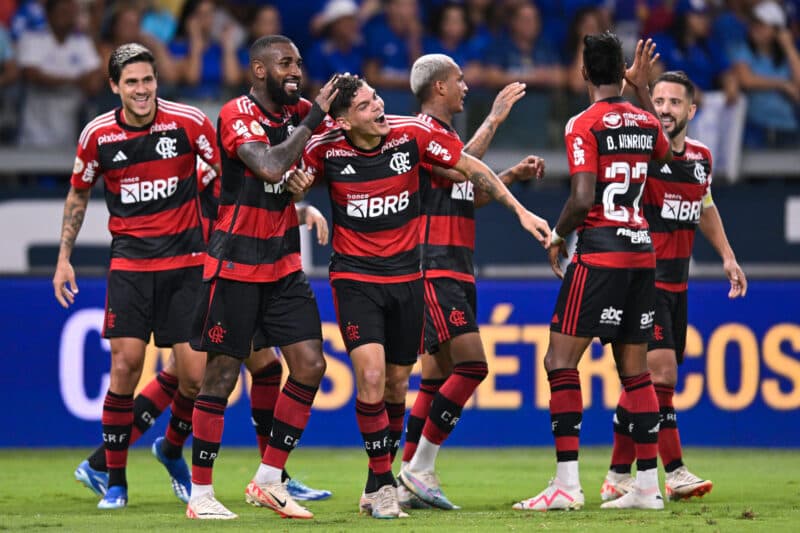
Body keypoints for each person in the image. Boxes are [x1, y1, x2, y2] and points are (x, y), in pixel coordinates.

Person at [301, 73, 551, 519]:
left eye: (375, 98)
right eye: (363, 106)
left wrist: (520, 209)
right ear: (342, 123)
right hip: (356, 280)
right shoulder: (326, 151)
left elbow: (469, 169)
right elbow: (282, 178)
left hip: (407, 278)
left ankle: (383, 480)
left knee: (399, 385)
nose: (377, 107)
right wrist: (299, 199)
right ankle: (385, 485)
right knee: (374, 378)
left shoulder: (411, 135)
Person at [53, 43, 220, 510]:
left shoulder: (190, 123)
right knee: (125, 368)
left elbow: (226, 181)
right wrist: (64, 257)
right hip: (130, 265)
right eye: (131, 82)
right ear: (114, 87)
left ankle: (170, 449)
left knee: (194, 378)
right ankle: (116, 482)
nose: (142, 89)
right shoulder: (98, 135)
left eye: (148, 80)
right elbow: (78, 196)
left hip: (187, 264)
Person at [512, 33, 672, 512]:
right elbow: (665, 155)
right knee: (636, 374)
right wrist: (641, 90)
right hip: (642, 254)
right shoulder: (644, 119)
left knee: (559, 363)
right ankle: (647, 487)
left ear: (583, 73)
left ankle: (566, 485)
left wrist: (558, 236)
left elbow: (583, 198)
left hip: (601, 253)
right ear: (622, 71)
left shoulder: (584, 122)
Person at [185, 35, 339, 520]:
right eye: (285, 63)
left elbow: (294, 167)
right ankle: (201, 494)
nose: (295, 70)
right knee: (222, 375)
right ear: (258, 70)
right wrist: (308, 130)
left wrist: (301, 188)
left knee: (311, 365)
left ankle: (269, 478)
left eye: (298, 61)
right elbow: (270, 162)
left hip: (284, 263)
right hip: (236, 262)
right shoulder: (236, 113)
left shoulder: (296, 116)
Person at [397, 54, 545, 511]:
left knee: (435, 377)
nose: (466, 86)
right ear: (438, 87)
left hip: (454, 265)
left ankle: (403, 484)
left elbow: (465, 193)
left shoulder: (448, 138)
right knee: (473, 366)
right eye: (458, 80)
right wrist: (495, 119)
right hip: (434, 265)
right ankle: (420, 466)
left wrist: (512, 177)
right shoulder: (422, 132)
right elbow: (456, 168)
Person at [600, 70, 748, 504]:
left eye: (673, 102)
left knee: (642, 385)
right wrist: (638, 91)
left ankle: (616, 474)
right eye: (658, 101)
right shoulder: (644, 156)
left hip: (677, 287)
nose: (664, 109)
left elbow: (704, 206)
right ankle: (676, 470)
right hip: (642, 282)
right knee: (659, 376)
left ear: (691, 110)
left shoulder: (701, 157)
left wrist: (727, 255)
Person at [17, 0, 103, 147]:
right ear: (49, 14)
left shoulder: (82, 42)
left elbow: (94, 82)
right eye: (63, 12)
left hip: (70, 134)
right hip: (34, 134)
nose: (68, 17)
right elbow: (31, 75)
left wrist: (52, 78)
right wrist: (75, 80)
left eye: (71, 13)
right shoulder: (32, 39)